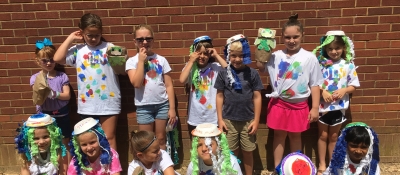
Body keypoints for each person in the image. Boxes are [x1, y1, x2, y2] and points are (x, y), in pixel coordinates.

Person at [255, 14, 324, 169]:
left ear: (302, 36)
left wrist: (314, 108)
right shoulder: (275, 56)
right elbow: (261, 67)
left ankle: (296, 168)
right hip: (279, 104)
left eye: (295, 37)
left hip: (299, 106)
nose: (291, 41)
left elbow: (315, 84)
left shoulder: (309, 57)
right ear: (282, 38)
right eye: (287, 37)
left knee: (295, 136)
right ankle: (278, 168)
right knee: (278, 136)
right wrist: (262, 49)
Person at [53, 13, 120, 150]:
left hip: (109, 100)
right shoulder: (78, 50)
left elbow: (121, 69)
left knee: (109, 138)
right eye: (89, 35)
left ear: (102, 32)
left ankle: (113, 171)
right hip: (87, 103)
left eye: (97, 35)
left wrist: (120, 60)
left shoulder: (110, 47)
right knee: (88, 141)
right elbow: (57, 58)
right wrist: (71, 38)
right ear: (82, 32)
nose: (94, 39)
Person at [215, 34, 264, 175]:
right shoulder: (223, 73)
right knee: (231, 152)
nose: (237, 59)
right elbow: (219, 96)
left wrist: (256, 120)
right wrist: (220, 120)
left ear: (247, 55)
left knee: (248, 151)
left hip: (248, 120)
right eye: (233, 56)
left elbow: (257, 96)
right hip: (228, 120)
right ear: (228, 55)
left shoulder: (252, 73)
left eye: (241, 55)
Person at [312, 30, 360, 175]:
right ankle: (322, 164)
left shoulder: (348, 65)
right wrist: (323, 91)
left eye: (337, 48)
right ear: (325, 49)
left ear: (343, 48)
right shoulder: (320, 65)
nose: (334, 51)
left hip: (338, 107)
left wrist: (344, 90)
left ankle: (332, 165)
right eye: (330, 48)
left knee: (334, 136)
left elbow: (354, 86)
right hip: (322, 107)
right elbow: (313, 83)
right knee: (322, 135)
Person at [126, 25, 176, 150]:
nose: (144, 42)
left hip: (162, 104)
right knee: (146, 141)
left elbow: (169, 85)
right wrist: (141, 61)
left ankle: (163, 167)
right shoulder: (132, 61)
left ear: (153, 40)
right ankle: (149, 168)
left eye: (148, 39)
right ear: (135, 42)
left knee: (161, 138)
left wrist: (172, 108)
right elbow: (137, 83)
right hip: (144, 106)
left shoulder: (161, 60)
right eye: (140, 39)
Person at [30, 38, 72, 169]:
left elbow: (67, 96)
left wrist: (55, 94)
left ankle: (66, 170)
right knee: (47, 143)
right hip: (45, 115)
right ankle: (49, 169)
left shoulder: (61, 76)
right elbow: (37, 98)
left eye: (51, 59)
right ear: (38, 61)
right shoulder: (36, 78)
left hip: (62, 114)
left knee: (65, 142)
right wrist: (42, 91)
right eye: (44, 60)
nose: (48, 63)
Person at [179, 36, 227, 134]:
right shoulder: (191, 68)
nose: (202, 56)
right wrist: (191, 61)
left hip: (213, 115)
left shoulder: (215, 67)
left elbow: (229, 71)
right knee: (198, 146)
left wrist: (216, 56)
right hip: (196, 116)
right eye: (199, 53)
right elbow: (182, 80)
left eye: (205, 53)